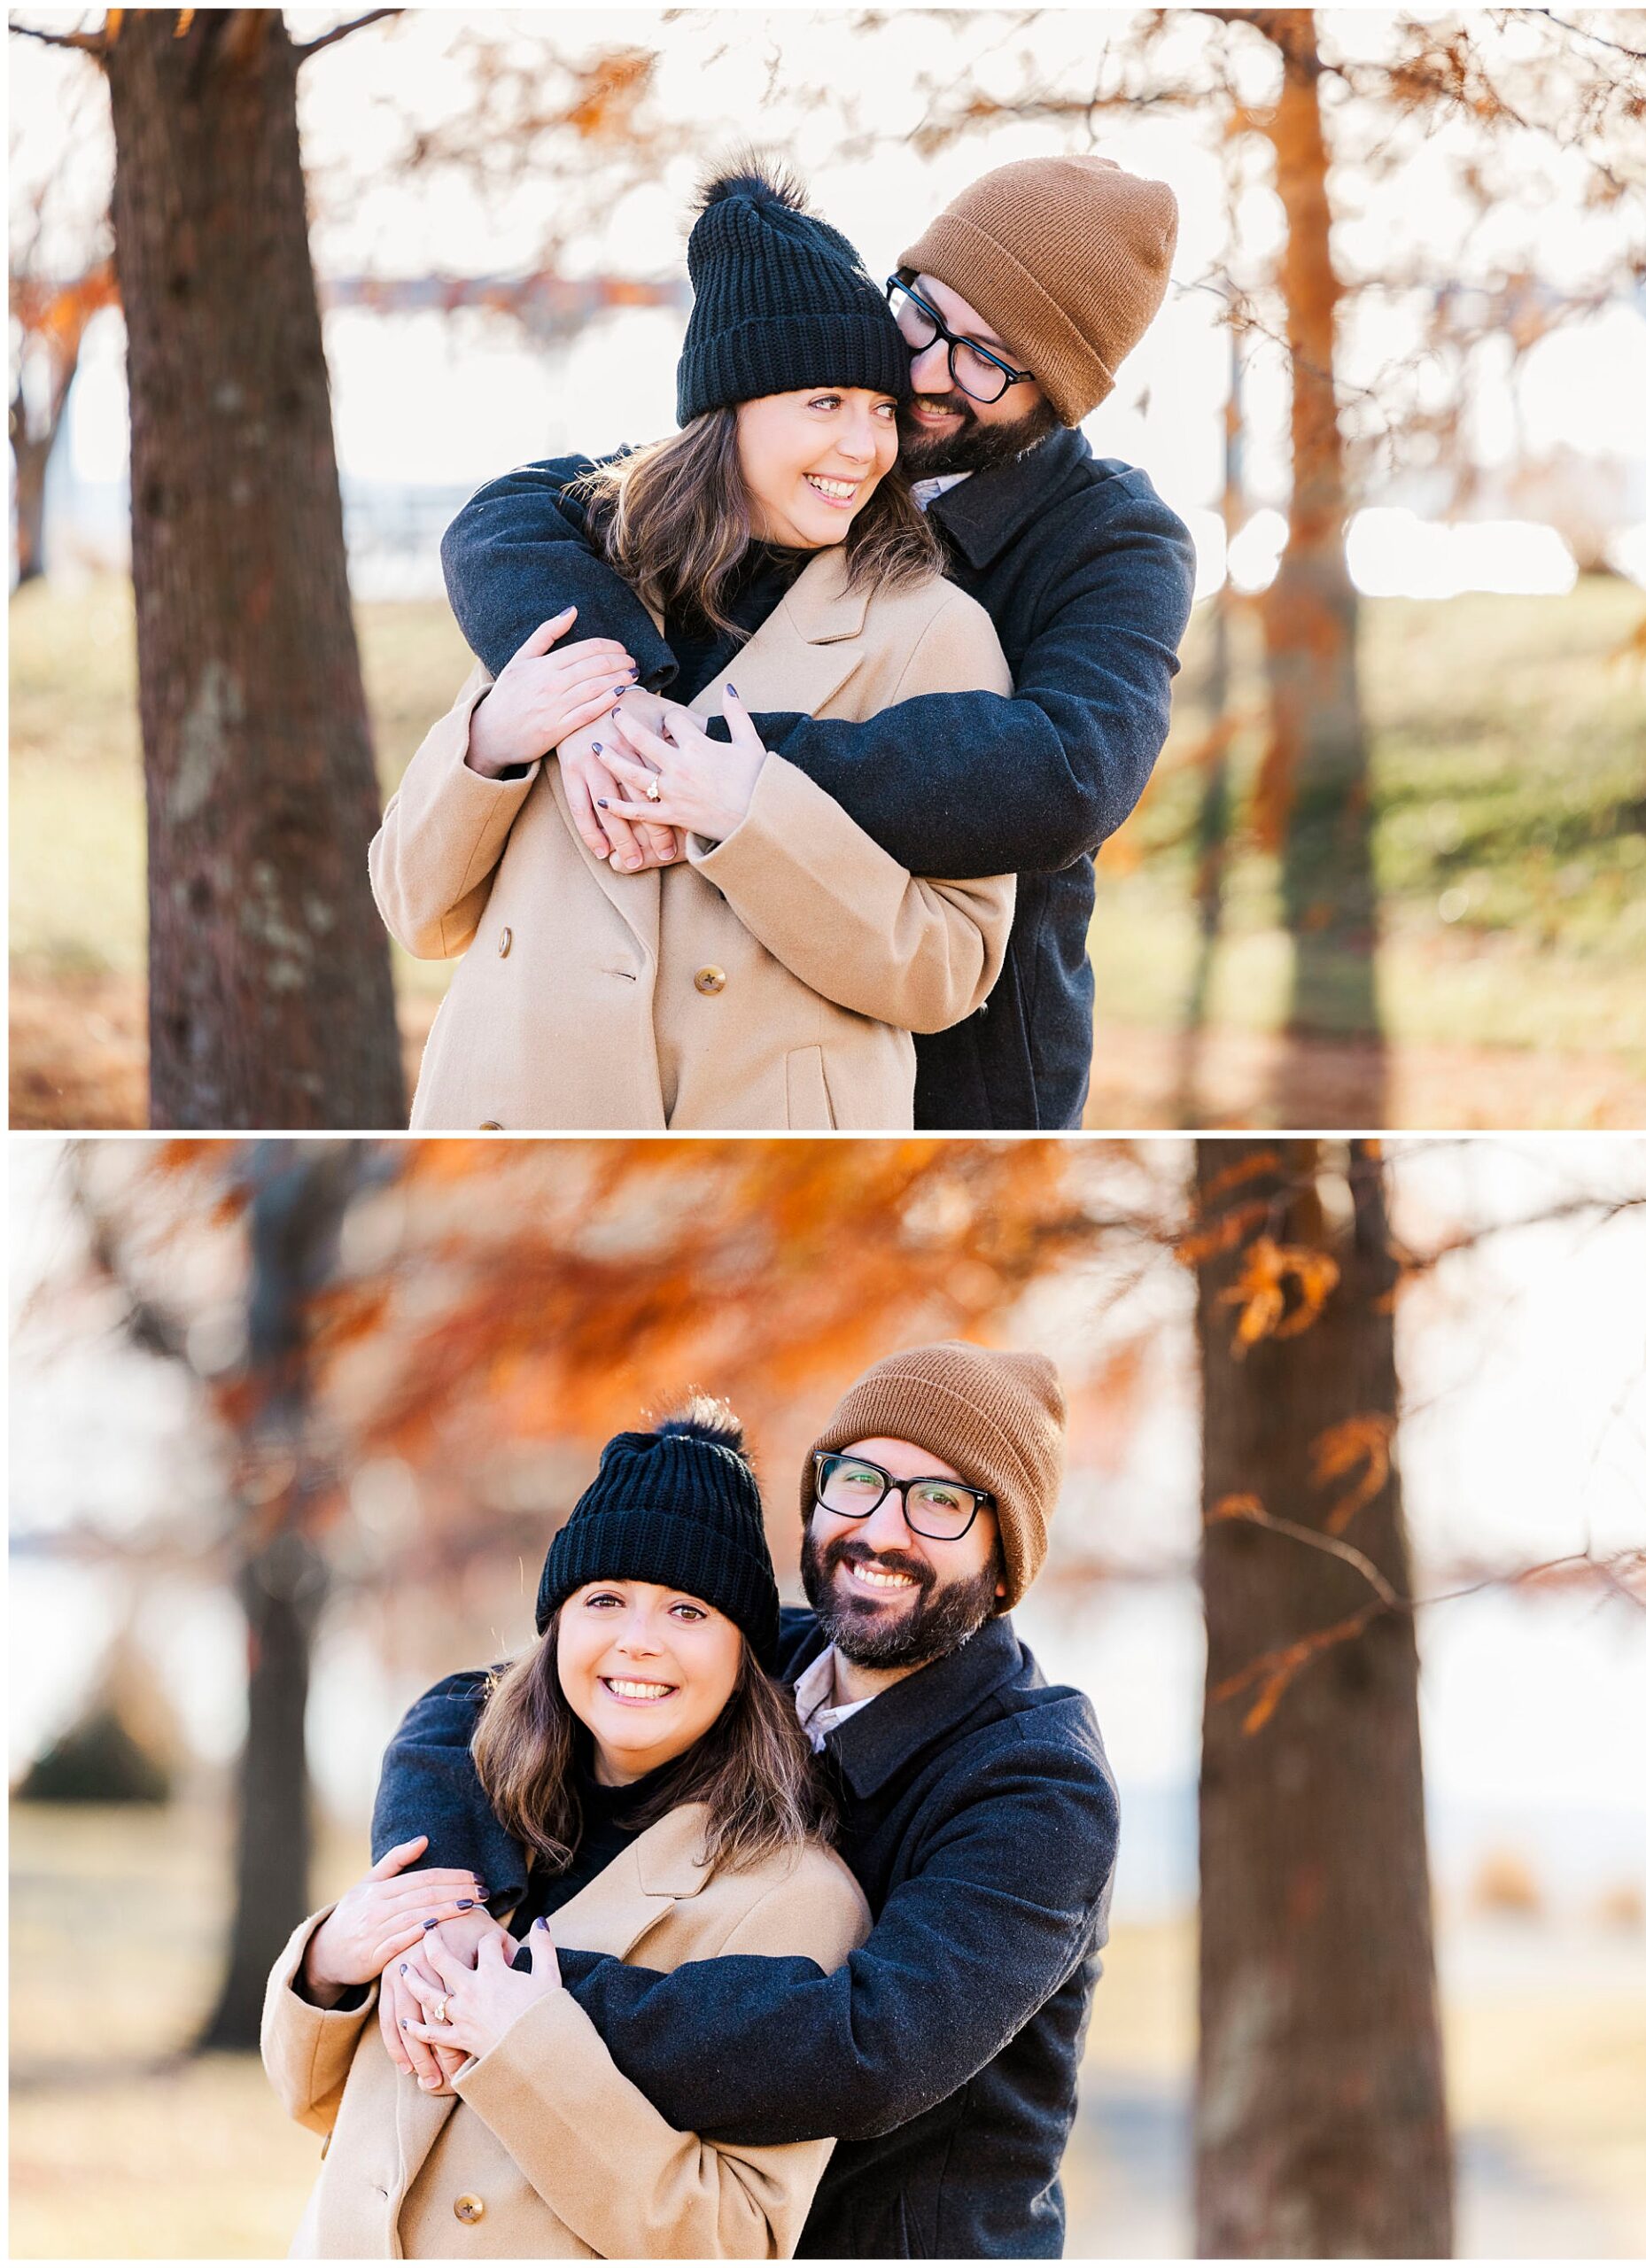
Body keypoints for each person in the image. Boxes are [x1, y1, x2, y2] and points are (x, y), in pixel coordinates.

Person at [440, 153, 1198, 1130]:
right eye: (924, 312)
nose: (925, 372)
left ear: (1058, 394)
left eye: (988, 359)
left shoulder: (1115, 538)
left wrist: (726, 769)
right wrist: (605, 709)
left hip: (967, 1062)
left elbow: (1069, 774)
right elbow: (511, 517)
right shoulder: (835, 431)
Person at [371, 1343, 1121, 2259]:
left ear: (1006, 1569)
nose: (883, 1531)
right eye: (858, 1480)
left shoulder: (1040, 1784)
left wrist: (524, 1989)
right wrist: (450, 1913)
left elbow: (867, 2050)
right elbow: (465, 1710)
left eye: (941, 1501)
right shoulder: (765, 1661)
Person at [372, 162, 1014, 1131]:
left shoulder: (933, 633)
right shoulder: (584, 582)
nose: (864, 446)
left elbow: (952, 968)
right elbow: (417, 912)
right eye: (826, 402)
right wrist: (495, 740)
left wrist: (752, 819)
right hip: (508, 1128)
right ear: (732, 406)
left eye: (882, 409)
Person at [260, 1407, 869, 2258]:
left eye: (688, 1612)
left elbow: (739, 2239)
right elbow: (326, 2109)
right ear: (556, 1628)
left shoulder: (791, 1898)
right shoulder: (471, 1807)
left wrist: (527, 2047)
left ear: (744, 1656)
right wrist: (329, 1969)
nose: (637, 1642)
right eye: (606, 1599)